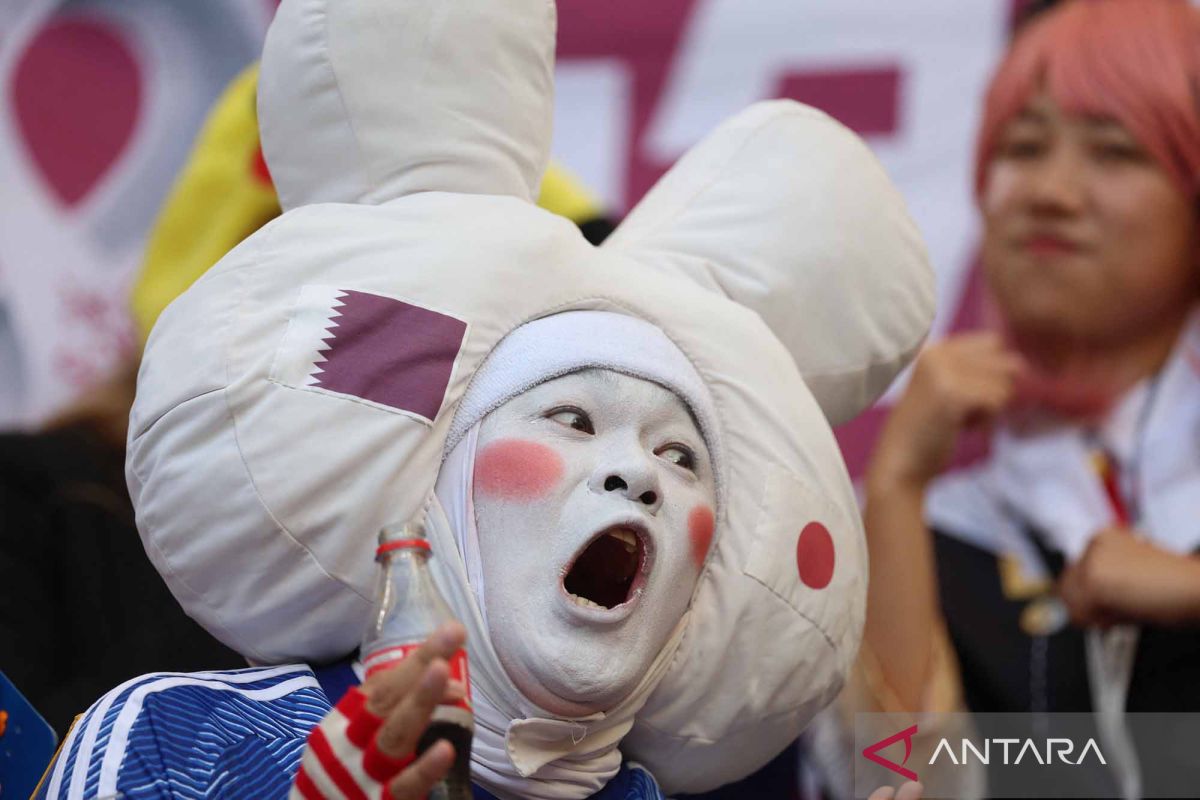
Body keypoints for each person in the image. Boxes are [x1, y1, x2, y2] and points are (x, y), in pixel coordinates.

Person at [38, 0, 936, 796]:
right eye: (571, 420)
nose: (640, 476)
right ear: (437, 485)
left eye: (681, 457)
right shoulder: (179, 740)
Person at [863, 0, 1200, 795]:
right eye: (1022, 147)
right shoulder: (948, 518)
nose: (1050, 190)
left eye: (1114, 151)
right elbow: (890, 774)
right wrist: (893, 490)